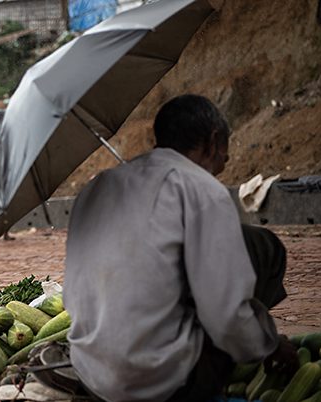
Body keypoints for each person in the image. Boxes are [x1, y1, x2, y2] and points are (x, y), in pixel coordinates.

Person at [61, 95, 297, 401]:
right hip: (162, 384)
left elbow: (73, 297)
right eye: (223, 157)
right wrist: (269, 344)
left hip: (90, 373)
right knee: (263, 246)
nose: (221, 168)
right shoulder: (202, 190)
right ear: (213, 141)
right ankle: (240, 347)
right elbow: (224, 317)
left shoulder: (96, 187)